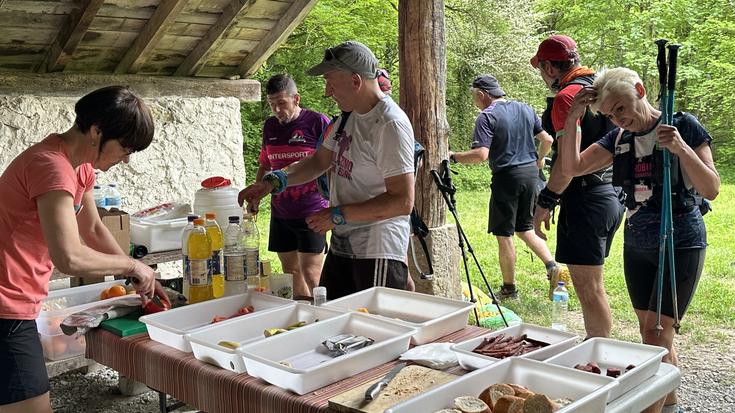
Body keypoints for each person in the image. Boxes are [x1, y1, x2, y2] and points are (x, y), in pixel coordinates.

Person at [559, 67, 719, 413]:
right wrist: (573, 118)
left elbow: (711, 188)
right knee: (655, 336)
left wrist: (680, 148)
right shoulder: (618, 139)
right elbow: (571, 167)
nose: (618, 119)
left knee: (654, 337)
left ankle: (647, 408)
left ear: (640, 90)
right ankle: (670, 405)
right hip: (637, 243)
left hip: (679, 240)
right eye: (609, 114)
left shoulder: (683, 125)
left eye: (621, 108)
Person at [0, 86, 168, 413]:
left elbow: (91, 229)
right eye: (125, 148)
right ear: (96, 131)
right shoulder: (50, 165)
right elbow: (70, 257)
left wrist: (139, 273)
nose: (126, 158)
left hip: (18, 295)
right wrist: (134, 268)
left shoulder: (80, 168)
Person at [240, 41, 415, 300]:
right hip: (344, 243)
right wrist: (270, 183)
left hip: (377, 250)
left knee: (377, 330)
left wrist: (337, 214)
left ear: (356, 81)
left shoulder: (389, 124)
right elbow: (317, 162)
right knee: (333, 320)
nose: (326, 92)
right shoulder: (346, 118)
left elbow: (402, 201)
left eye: (331, 82)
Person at [530, 34, 624, 338]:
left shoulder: (567, 98)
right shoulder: (601, 88)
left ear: (550, 67)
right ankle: (599, 348)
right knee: (592, 284)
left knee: (588, 287)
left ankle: (599, 356)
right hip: (612, 195)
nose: (542, 76)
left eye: (541, 69)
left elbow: (568, 163)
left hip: (585, 198)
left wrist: (545, 200)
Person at [449, 74, 558, 300]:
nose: (474, 101)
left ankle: (509, 289)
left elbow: (480, 155)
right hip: (531, 175)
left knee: (504, 234)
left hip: (507, 177)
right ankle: (553, 267)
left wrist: (453, 157)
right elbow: (547, 140)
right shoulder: (525, 108)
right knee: (525, 228)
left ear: (481, 94)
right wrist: (539, 160)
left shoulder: (486, 117)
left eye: (474, 96)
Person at [245, 74, 331, 298]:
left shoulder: (318, 122)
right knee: (290, 272)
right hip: (281, 212)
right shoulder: (270, 127)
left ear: (296, 99)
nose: (276, 109)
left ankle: (327, 316)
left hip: (312, 211)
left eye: (281, 103)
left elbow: (331, 163)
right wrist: (256, 196)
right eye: (272, 104)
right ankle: (304, 320)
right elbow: (265, 165)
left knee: (312, 273)